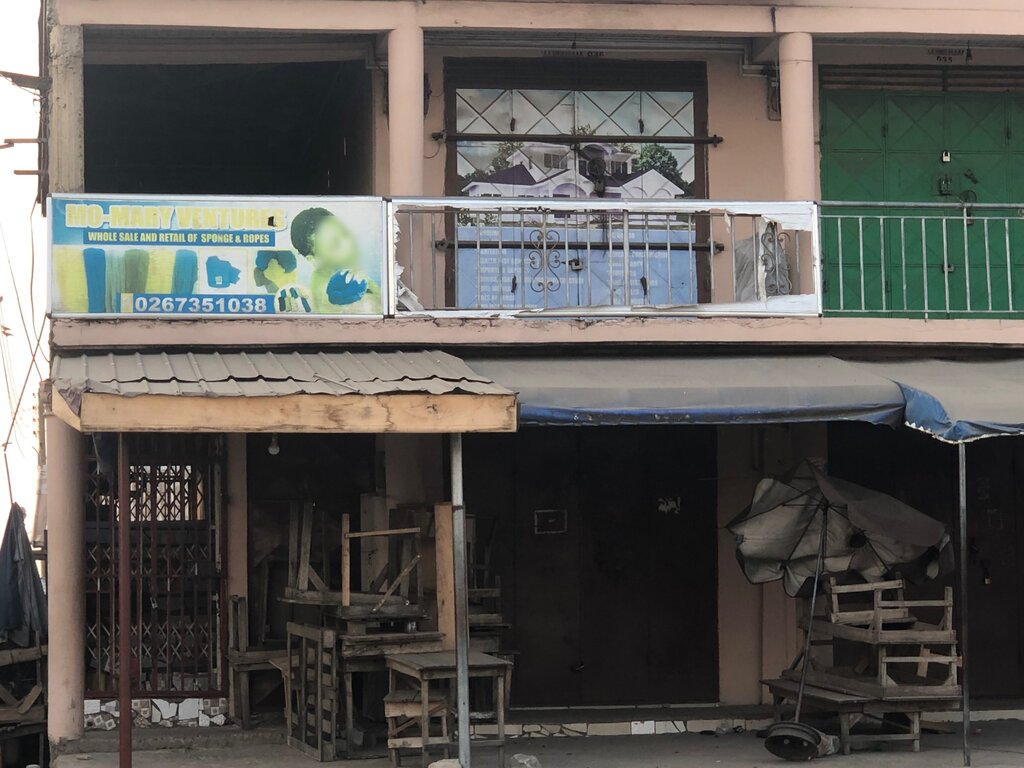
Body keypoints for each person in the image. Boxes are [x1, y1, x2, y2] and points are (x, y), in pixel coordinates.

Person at [290, 207, 381, 313]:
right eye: (335, 245)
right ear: (314, 259)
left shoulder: (347, 271)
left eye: (345, 232)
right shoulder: (326, 287)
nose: (349, 243)